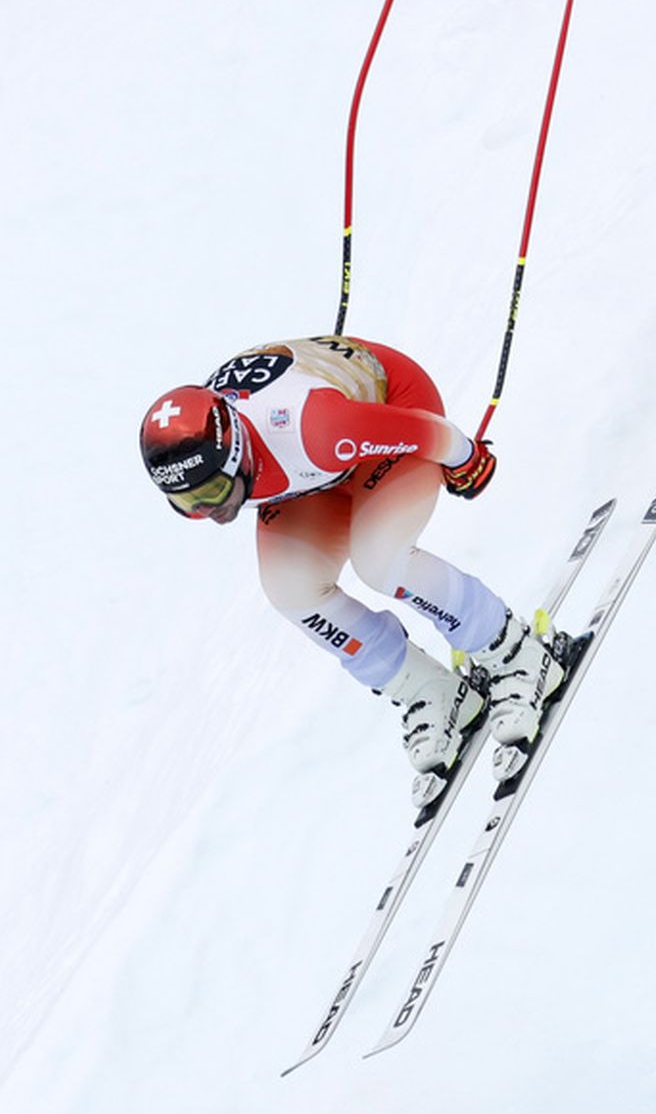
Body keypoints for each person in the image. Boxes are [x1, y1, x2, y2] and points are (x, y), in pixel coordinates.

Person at [137, 334, 563, 810]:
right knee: (290, 589)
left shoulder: (312, 429)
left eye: (213, 491)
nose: (209, 512)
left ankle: (514, 653)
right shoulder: (223, 462)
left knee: (382, 560)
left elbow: (427, 431)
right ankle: (427, 690)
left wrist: (468, 460)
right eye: (187, 503)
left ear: (234, 453)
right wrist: (218, 489)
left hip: (390, 413)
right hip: (313, 471)